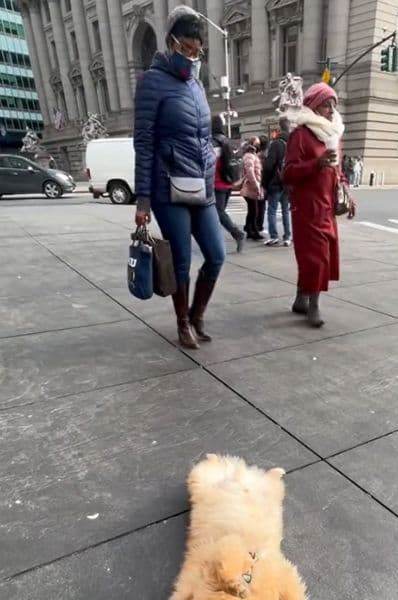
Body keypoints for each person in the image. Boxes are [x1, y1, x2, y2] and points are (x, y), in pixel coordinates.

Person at [133, 5, 224, 350]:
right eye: (186, 48)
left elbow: (201, 137)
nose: (192, 55)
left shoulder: (197, 86)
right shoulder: (151, 82)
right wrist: (143, 199)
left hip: (201, 186)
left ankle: (198, 315)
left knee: (216, 255)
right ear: (171, 42)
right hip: (167, 188)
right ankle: (183, 322)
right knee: (182, 261)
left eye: (197, 50)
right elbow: (143, 143)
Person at [283, 82, 355, 327]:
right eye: (326, 104)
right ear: (314, 106)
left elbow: (337, 171)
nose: (331, 110)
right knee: (316, 258)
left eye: (333, 105)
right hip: (306, 208)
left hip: (326, 206)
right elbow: (288, 173)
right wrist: (316, 164)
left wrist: (346, 191)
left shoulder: (333, 134)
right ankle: (313, 305)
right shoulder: (301, 135)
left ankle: (300, 298)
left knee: (320, 256)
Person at [210, 114, 245, 251]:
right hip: (228, 182)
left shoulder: (212, 142)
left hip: (216, 183)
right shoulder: (228, 141)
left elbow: (209, 163)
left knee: (218, 212)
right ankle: (216, 239)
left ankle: (237, 233)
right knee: (219, 212)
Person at [262, 116, 292, 247]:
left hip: (275, 182)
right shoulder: (293, 143)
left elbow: (268, 166)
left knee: (272, 210)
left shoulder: (276, 144)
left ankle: (274, 236)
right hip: (287, 182)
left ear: (279, 127)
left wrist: (264, 183)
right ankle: (287, 236)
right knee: (285, 210)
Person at [240, 137, 265, 240]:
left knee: (252, 210)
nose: (258, 145)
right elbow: (250, 172)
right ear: (253, 144)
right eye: (257, 143)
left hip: (252, 185)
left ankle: (249, 229)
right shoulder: (250, 155)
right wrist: (256, 185)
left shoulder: (251, 154)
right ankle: (254, 231)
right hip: (251, 186)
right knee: (254, 210)